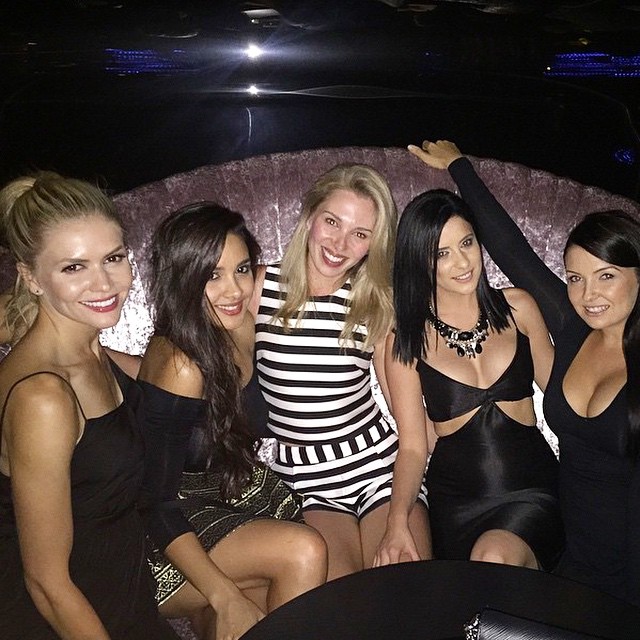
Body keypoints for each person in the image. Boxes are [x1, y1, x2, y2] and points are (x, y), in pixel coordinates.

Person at [412, 139, 640, 605]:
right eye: (575, 278)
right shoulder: (575, 329)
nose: (589, 294)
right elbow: (514, 253)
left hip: (627, 561)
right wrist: (459, 166)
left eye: (607, 276)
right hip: (571, 550)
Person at [138, 202, 328, 640]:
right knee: (303, 552)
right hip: (167, 532)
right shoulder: (181, 365)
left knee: (263, 609)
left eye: (242, 269)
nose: (234, 290)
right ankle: (213, 603)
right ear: (184, 278)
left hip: (230, 494)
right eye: (212, 275)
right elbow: (154, 503)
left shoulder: (240, 323)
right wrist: (223, 594)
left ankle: (209, 616)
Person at [0, 172, 177, 639]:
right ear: (31, 278)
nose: (104, 283)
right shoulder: (43, 397)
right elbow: (46, 584)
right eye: (74, 267)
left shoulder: (91, 349)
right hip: (69, 619)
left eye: (113, 258)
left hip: (124, 587)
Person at [252, 163, 431, 580]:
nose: (340, 244)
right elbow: (198, 361)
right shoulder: (258, 289)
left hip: (379, 467)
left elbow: (412, 437)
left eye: (360, 234)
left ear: (373, 244)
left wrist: (399, 522)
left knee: (407, 588)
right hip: (306, 479)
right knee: (342, 601)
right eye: (332, 221)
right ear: (309, 216)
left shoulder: (378, 305)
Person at [377, 184, 564, 570]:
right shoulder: (407, 340)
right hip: (457, 506)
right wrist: (397, 522)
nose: (462, 262)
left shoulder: (518, 307)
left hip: (532, 493)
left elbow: (563, 401)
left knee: (493, 556)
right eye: (441, 254)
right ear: (419, 261)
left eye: (466, 243)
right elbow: (413, 448)